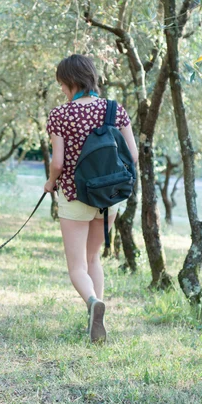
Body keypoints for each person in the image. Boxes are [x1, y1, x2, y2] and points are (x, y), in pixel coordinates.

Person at [44, 54, 138, 342]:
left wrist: (50, 184)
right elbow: (132, 156)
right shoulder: (115, 110)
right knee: (93, 257)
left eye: (61, 84)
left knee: (76, 267)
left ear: (70, 82)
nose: (61, 89)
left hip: (74, 197)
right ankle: (95, 316)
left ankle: (93, 304)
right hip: (109, 197)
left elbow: (58, 164)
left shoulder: (60, 115)